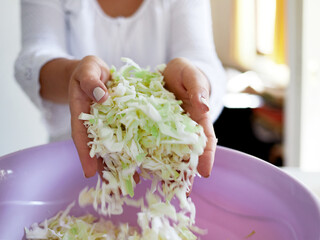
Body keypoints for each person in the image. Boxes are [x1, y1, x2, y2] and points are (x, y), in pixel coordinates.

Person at [14, 0, 226, 182]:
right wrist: (75, 75)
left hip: (162, 165)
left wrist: (197, 82)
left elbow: (203, 59)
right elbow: (32, 59)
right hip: (69, 163)